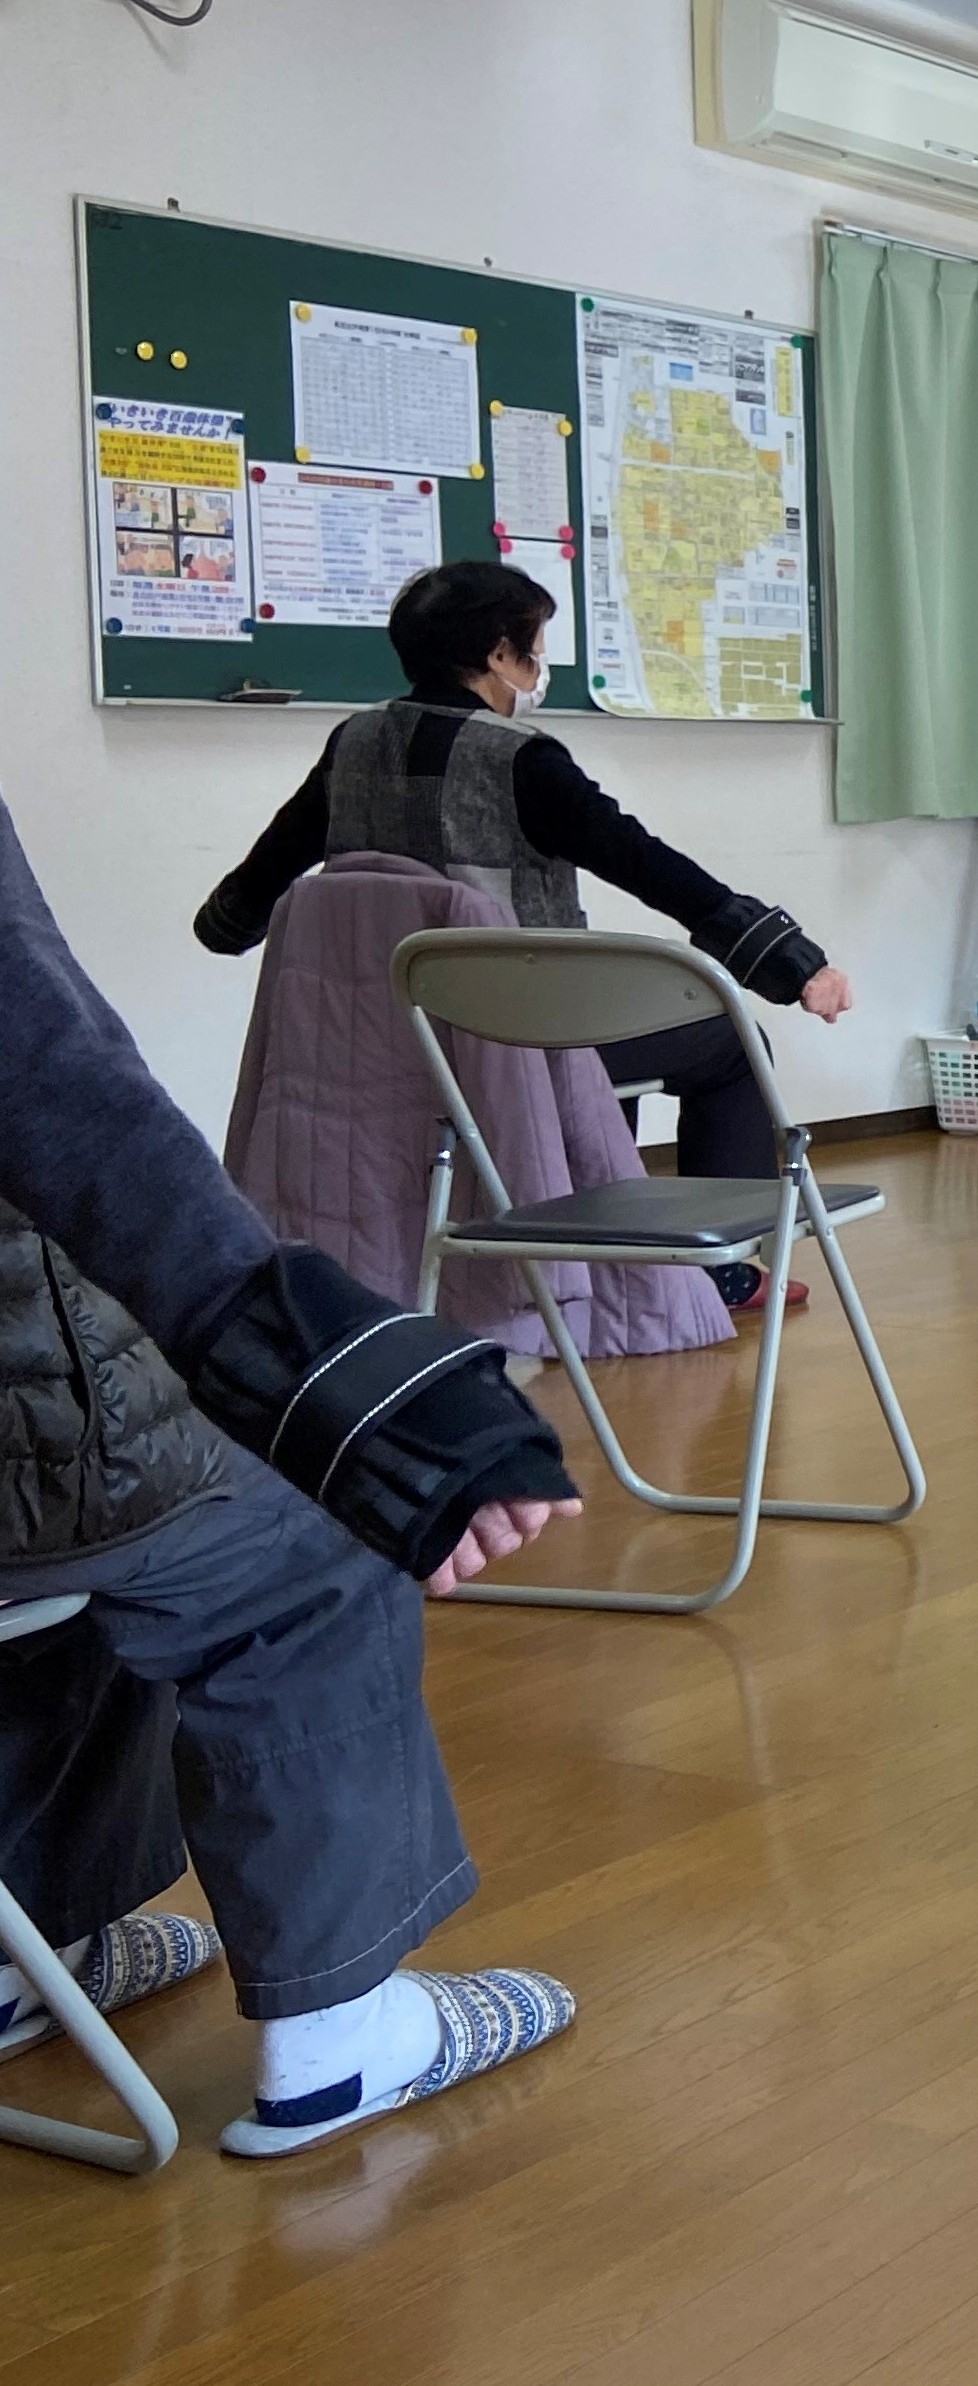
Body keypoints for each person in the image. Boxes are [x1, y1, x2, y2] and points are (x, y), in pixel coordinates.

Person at [1, 791, 581, 2157]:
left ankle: (30, 1946)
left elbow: (261, 875)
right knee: (278, 1529)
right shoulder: (530, 759)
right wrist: (299, 1368)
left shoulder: (347, 761)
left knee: (109, 1501)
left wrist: (229, 916)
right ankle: (340, 2036)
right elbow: (46, 1077)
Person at [195, 559, 848, 1313]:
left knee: (590, 1031)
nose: (538, 666)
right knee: (728, 1043)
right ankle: (715, 1272)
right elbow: (648, 864)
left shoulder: (353, 746)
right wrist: (795, 967)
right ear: (501, 654)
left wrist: (223, 925)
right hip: (513, 1048)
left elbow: (249, 895)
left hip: (376, 1048)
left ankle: (590, 1246)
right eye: (534, 648)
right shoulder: (519, 760)